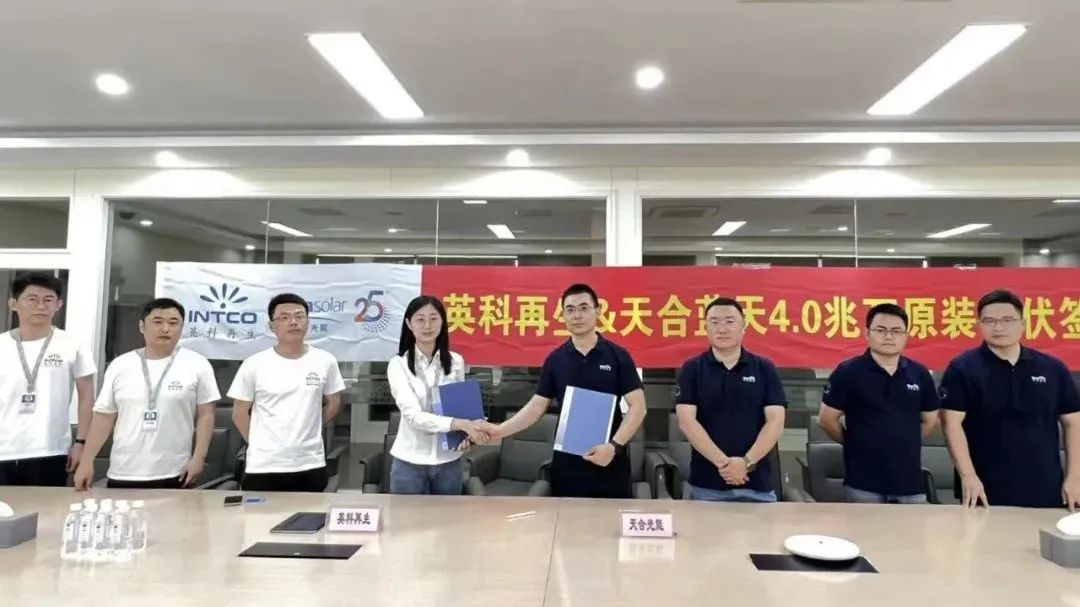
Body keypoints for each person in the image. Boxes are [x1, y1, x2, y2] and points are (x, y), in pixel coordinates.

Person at [479, 284, 647, 498]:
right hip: (568, 465)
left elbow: (638, 407)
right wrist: (500, 430)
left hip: (610, 461)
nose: (577, 315)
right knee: (566, 518)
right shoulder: (555, 360)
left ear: (597, 312)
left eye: (584, 308)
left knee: (609, 519)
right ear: (563, 316)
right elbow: (536, 407)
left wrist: (614, 446)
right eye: (570, 309)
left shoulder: (618, 356)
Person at [940, 289, 1080, 510]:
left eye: (1007, 320)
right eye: (989, 321)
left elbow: (1073, 423)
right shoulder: (962, 368)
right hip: (983, 489)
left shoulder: (1053, 368)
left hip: (1046, 484)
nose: (998, 327)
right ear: (979, 325)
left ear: (1023, 324)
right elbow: (951, 424)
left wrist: (1075, 477)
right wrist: (968, 475)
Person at [73, 298, 220, 490]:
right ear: (142, 326)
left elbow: (206, 415)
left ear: (182, 328)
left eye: (173, 323)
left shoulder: (197, 364)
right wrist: (86, 462)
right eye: (157, 322)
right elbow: (103, 417)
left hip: (175, 471)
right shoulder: (120, 365)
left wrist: (198, 458)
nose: (165, 329)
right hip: (123, 470)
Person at [818, 303, 939, 504]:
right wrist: (855, 442)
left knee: (914, 526)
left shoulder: (920, 374)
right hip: (863, 482)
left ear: (906, 335)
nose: (889, 336)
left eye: (896, 331)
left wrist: (903, 442)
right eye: (881, 330)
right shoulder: (848, 372)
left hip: (910, 483)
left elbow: (930, 421)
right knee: (864, 526)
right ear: (867, 333)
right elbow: (826, 420)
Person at [228, 293, 345, 492]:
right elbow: (239, 413)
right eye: (284, 317)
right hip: (264, 465)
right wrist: (259, 443)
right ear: (272, 326)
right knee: (259, 513)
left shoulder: (325, 361)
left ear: (308, 322)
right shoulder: (254, 364)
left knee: (309, 512)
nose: (293, 322)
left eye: (299, 316)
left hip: (310, 462)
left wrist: (311, 425)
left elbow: (334, 403)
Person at [674, 297, 787, 502]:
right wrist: (725, 465)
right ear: (705, 328)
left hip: (758, 486)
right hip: (706, 486)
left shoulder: (764, 368)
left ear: (743, 327)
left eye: (729, 321)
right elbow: (687, 421)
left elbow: (776, 422)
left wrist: (745, 463)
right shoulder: (692, 369)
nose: (722, 329)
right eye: (714, 322)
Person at [0, 273, 96, 486]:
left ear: (58, 305)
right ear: (13, 304)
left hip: (50, 449)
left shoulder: (73, 344)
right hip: (3, 449)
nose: (41, 306)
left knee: (47, 507)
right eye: (32, 299)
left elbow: (87, 397)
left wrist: (81, 442)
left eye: (48, 300)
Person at [386, 295, 488, 495]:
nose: (427, 325)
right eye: (420, 319)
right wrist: (462, 424)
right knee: (406, 516)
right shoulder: (398, 365)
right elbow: (413, 416)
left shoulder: (456, 361)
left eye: (433, 318)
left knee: (448, 516)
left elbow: (459, 408)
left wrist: (466, 435)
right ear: (409, 323)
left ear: (442, 322)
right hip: (410, 462)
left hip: (449, 461)